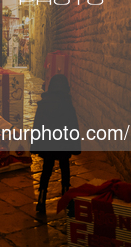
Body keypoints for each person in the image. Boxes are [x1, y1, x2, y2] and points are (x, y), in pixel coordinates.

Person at [31, 74, 81, 213]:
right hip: (63, 143)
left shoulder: (44, 103)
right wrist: (75, 146)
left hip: (48, 144)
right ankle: (67, 197)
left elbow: (37, 126)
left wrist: (36, 144)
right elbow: (73, 126)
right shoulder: (67, 104)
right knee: (65, 168)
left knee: (46, 169)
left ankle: (41, 197)